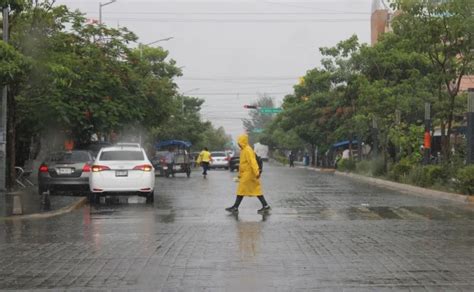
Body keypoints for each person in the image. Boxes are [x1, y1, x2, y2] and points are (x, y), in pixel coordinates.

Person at [226, 134, 270, 214]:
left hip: (249, 174)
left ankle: (235, 207)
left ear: (243, 141)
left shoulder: (248, 150)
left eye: (239, 142)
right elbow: (242, 164)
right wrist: (240, 174)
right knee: (255, 190)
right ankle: (265, 205)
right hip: (246, 174)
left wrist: (256, 172)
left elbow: (252, 162)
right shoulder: (243, 150)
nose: (238, 144)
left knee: (242, 190)